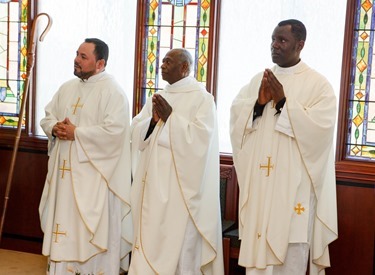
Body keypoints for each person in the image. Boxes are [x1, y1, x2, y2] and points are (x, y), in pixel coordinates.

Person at [230, 19, 338, 275]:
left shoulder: (318, 85)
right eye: (273, 39)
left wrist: (282, 103)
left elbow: (320, 130)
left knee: (289, 255)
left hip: (294, 189)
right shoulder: (260, 78)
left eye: (282, 40)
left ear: (300, 45)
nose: (274, 46)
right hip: (261, 186)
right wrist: (257, 103)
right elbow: (237, 117)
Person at [39, 38, 132, 274]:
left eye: (83, 57)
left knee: (92, 235)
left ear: (100, 63)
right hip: (65, 182)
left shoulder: (113, 92)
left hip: (95, 182)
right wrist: (55, 127)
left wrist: (76, 133)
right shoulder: (67, 88)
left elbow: (116, 133)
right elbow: (48, 115)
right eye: (76, 54)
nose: (76, 60)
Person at [129, 48, 224, 275]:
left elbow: (201, 142)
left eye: (168, 62)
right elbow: (136, 132)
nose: (161, 65)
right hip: (152, 186)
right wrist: (152, 123)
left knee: (180, 249)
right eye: (162, 61)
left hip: (181, 191)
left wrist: (171, 119)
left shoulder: (202, 98)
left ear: (184, 67)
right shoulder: (159, 96)